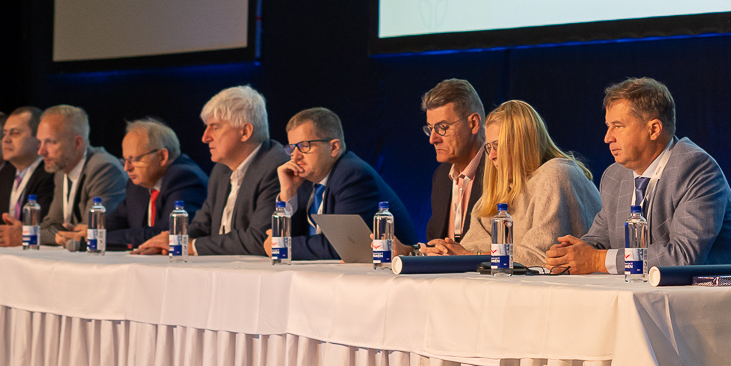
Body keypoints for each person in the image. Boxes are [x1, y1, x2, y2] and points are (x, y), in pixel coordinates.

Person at [545, 78, 731, 274]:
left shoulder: (696, 168)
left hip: (724, 293)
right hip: (649, 293)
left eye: (618, 126)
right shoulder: (614, 176)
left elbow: (683, 256)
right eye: (608, 127)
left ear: (653, 129)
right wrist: (570, 254)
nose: (607, 138)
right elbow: (600, 240)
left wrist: (598, 260)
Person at [424, 100, 601, 269]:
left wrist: (469, 256)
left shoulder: (556, 173)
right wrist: (447, 252)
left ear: (523, 143)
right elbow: (471, 247)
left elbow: (540, 258)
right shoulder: (503, 188)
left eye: (497, 145)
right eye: (488, 147)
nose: (491, 156)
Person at [135, 86, 287, 257]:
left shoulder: (276, 168)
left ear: (245, 132)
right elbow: (202, 225)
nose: (205, 137)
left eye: (215, 127)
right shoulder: (221, 170)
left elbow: (261, 239)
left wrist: (191, 246)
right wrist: (173, 241)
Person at [264, 108, 413, 260]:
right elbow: (288, 236)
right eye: (291, 148)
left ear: (334, 147)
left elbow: (342, 246)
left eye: (304, 146)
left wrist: (282, 246)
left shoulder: (352, 174)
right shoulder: (305, 180)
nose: (295, 157)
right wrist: (288, 193)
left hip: (395, 270)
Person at [105, 118, 207, 250]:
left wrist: (101, 237)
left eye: (134, 159)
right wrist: (91, 230)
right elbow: (115, 222)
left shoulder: (184, 177)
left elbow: (167, 234)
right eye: (125, 160)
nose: (127, 168)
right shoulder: (138, 183)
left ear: (162, 156)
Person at [35, 106, 128, 243]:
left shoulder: (104, 169)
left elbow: (90, 231)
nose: (41, 151)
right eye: (40, 142)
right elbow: (51, 224)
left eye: (50, 142)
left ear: (77, 143)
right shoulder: (61, 171)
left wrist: (27, 234)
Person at [420, 79, 486, 243]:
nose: (433, 139)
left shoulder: (502, 171)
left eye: (442, 128)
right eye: (430, 129)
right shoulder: (442, 176)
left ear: (473, 123)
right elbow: (435, 246)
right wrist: (409, 251)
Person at [0, 106, 56, 247]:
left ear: (38, 140)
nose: (6, 140)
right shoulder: (5, 173)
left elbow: (45, 224)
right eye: (4, 134)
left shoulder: (50, 174)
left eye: (15, 133)